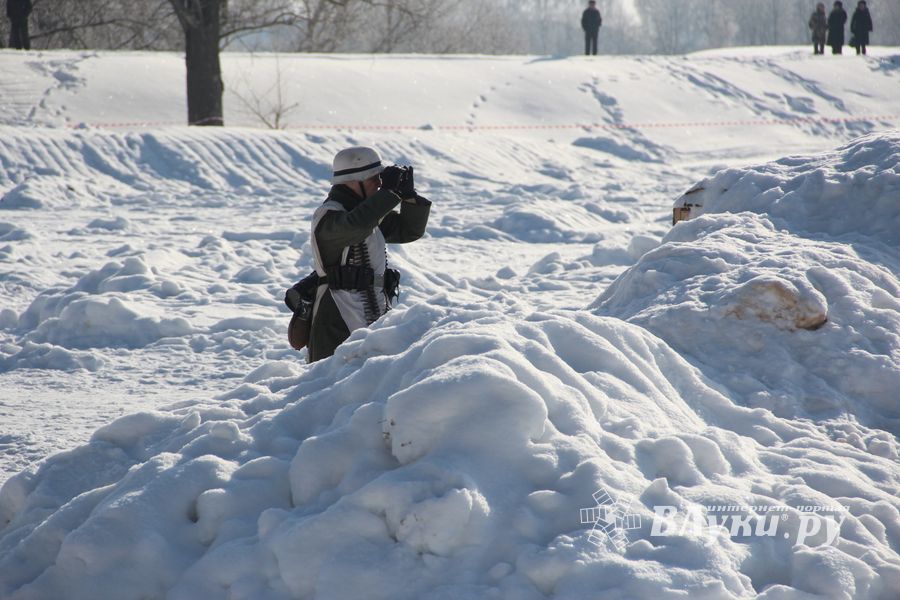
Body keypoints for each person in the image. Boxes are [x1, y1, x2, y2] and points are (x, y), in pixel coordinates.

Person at [307, 146, 431, 363]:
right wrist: (388, 194)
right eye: (375, 178)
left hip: (372, 307)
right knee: (331, 382)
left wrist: (408, 197)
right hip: (337, 314)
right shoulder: (330, 214)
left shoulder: (368, 213)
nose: (380, 184)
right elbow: (355, 225)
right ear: (354, 180)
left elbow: (408, 230)